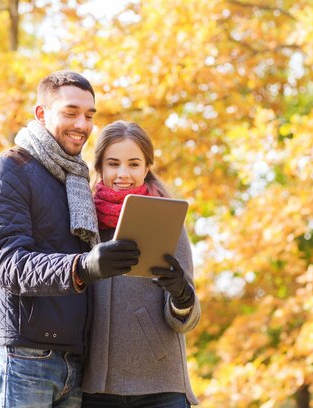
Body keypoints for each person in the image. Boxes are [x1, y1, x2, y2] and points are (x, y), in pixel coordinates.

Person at [0, 71, 140, 407]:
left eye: (89, 115)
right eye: (70, 112)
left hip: (74, 363)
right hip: (22, 358)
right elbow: (8, 266)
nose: (82, 124)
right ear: (41, 113)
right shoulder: (8, 171)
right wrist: (84, 266)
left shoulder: (76, 181)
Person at [82, 120, 201, 407]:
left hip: (159, 383)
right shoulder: (83, 221)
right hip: (96, 387)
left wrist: (181, 293)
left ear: (146, 168)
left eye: (133, 164)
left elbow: (188, 318)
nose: (123, 174)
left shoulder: (167, 219)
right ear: (99, 168)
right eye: (113, 164)